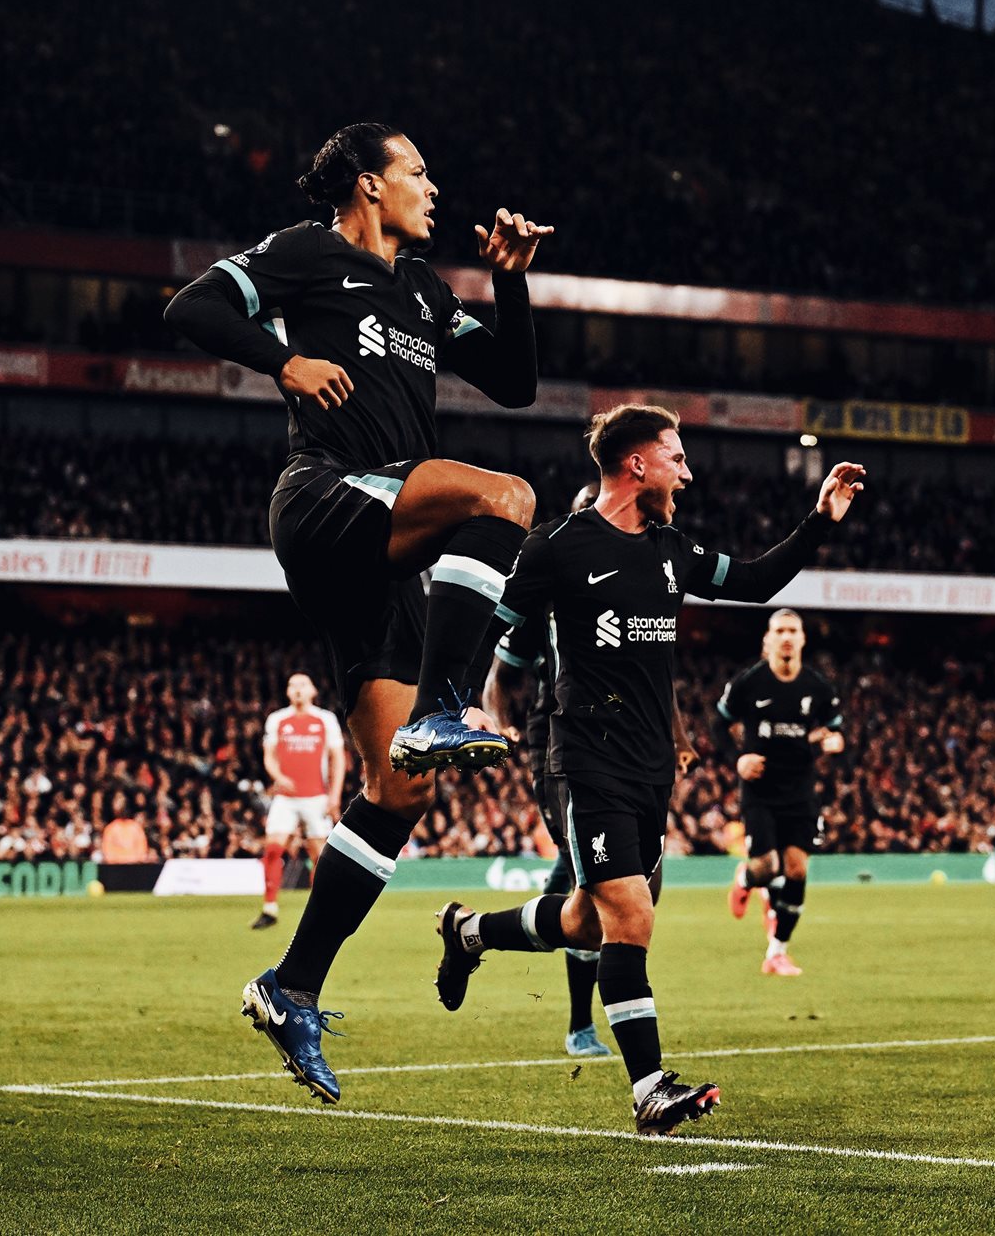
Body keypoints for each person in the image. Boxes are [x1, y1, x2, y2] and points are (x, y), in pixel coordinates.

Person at [165, 122, 551, 1104]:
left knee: (400, 790)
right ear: (370, 185)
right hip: (328, 494)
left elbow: (514, 383)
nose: (433, 185)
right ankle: (448, 702)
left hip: (381, 548)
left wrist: (508, 281)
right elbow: (192, 305)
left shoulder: (424, 288)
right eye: (417, 170)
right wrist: (280, 361)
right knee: (506, 497)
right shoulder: (308, 251)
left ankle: (291, 985)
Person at [434, 403, 864, 1136]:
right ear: (637, 464)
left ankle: (469, 933)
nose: (687, 474)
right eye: (677, 458)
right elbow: (492, 628)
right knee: (631, 917)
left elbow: (756, 580)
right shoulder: (556, 546)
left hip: (650, 768)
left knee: (588, 922)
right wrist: (466, 705)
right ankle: (650, 1089)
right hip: (585, 759)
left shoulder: (673, 549)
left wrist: (821, 520)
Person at [484, 481, 697, 1060]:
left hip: (631, 744)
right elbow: (501, 673)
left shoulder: (637, 583)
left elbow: (655, 679)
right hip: (563, 742)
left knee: (613, 897)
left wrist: (678, 738)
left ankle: (474, 931)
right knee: (606, 891)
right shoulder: (550, 590)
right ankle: (583, 1026)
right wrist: (497, 721)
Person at [714, 609, 844, 976]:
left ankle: (777, 952)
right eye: (780, 631)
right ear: (768, 639)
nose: (786, 637)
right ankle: (745, 879)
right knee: (767, 867)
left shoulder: (818, 688)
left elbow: (835, 730)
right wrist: (738, 759)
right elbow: (718, 725)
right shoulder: (749, 683)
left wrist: (834, 742)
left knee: (796, 870)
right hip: (760, 789)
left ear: (802, 639)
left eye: (792, 631)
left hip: (800, 789)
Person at [251, 672, 345, 931]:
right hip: (286, 798)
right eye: (292, 685)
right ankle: (270, 908)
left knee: (320, 857)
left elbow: (338, 758)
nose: (297, 689)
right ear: (287, 692)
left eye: (303, 684)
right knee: (273, 850)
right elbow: (269, 756)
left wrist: (335, 795)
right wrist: (279, 777)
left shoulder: (325, 719)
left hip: (316, 796)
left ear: (313, 691)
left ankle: (320, 913)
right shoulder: (277, 719)